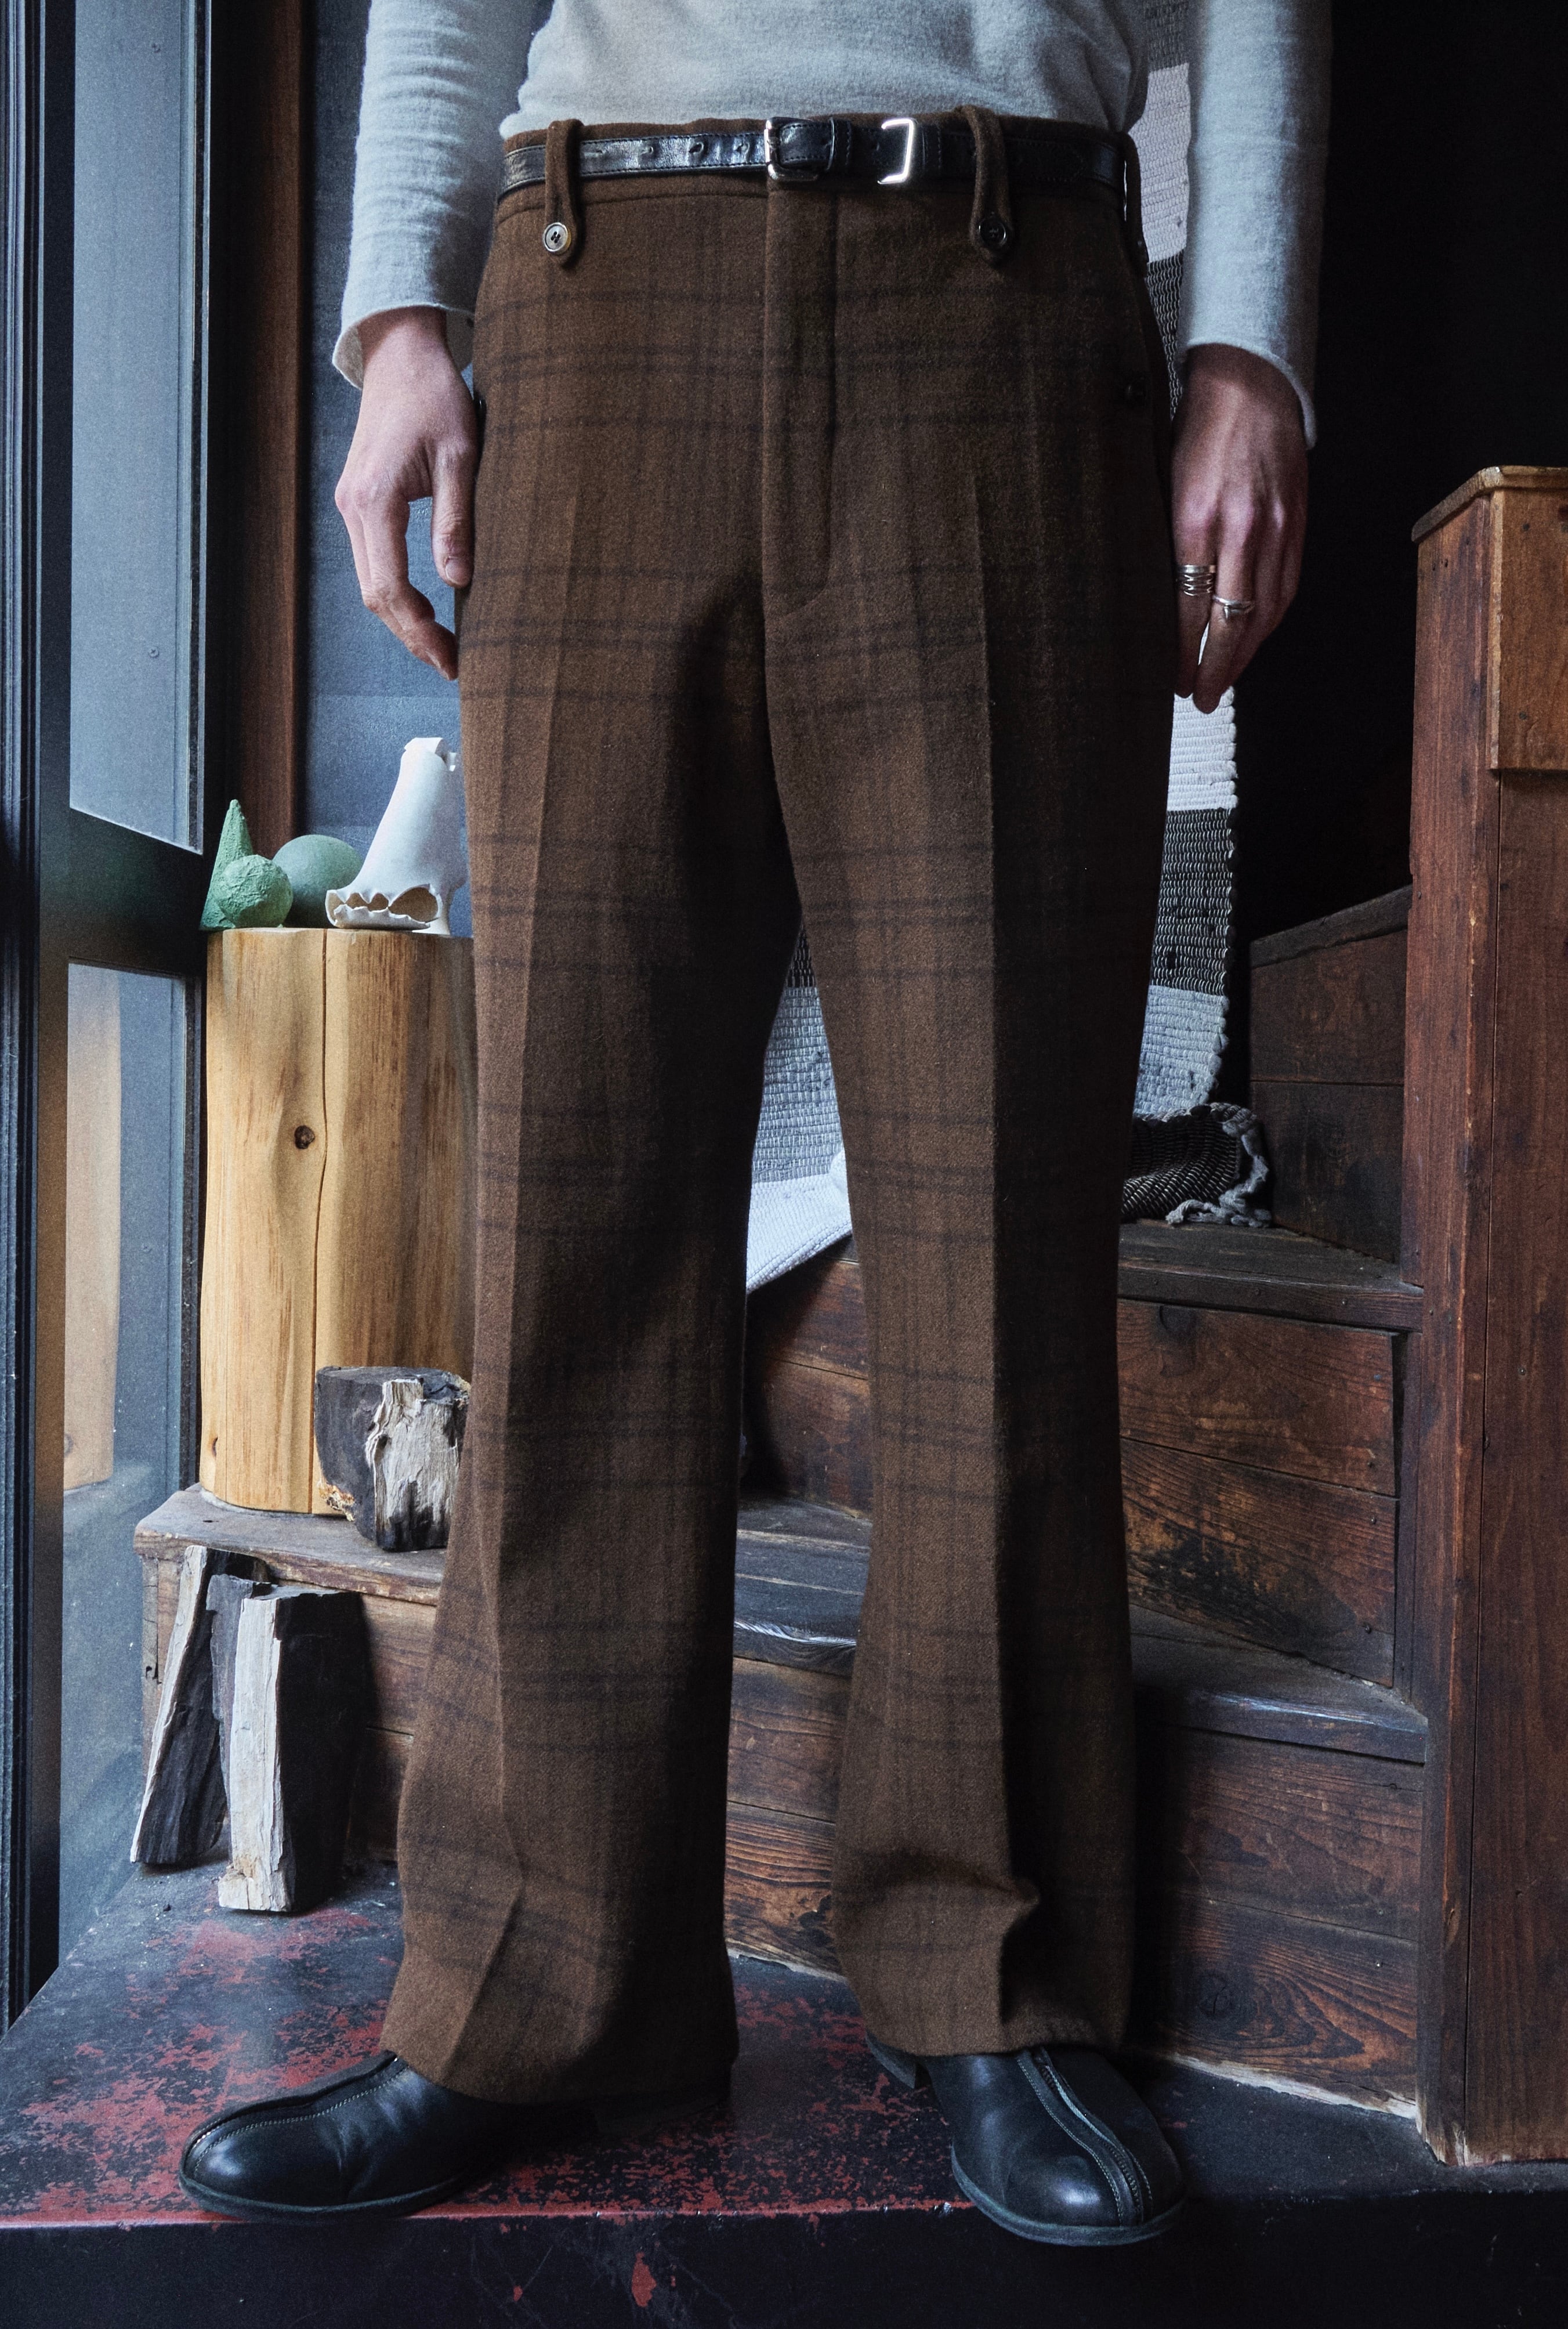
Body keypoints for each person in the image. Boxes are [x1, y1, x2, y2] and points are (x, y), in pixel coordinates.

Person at [180, 0, 1327, 2240]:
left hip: (1007, 300)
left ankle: (995, 1977)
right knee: (576, 1208)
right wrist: (400, 317)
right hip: (601, 291)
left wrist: (1254, 353)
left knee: (993, 1214)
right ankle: (533, 1984)